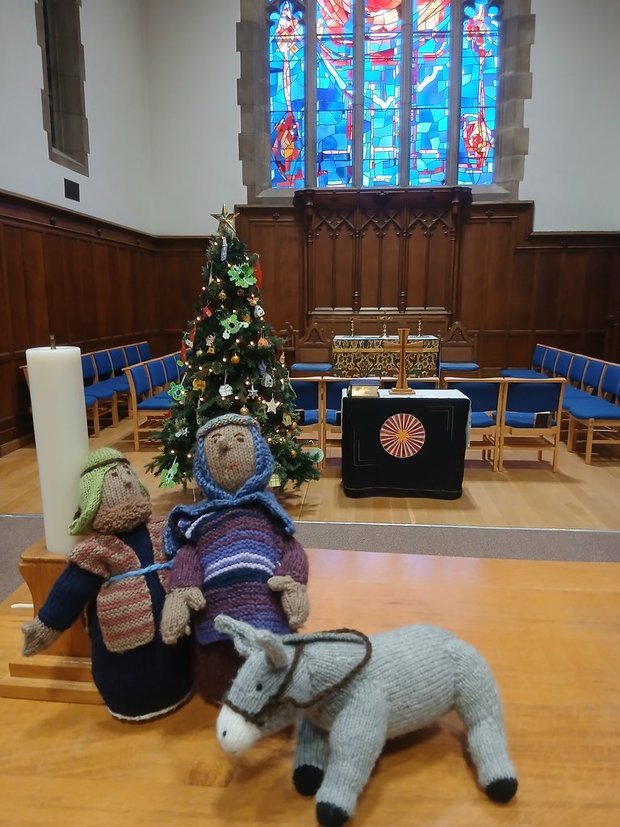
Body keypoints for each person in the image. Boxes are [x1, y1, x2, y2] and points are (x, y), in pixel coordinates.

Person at [21, 448, 194, 721]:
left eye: (128, 474)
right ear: (94, 498)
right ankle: (131, 698)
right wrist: (46, 625)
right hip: (125, 663)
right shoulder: (97, 550)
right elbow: (70, 590)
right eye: (114, 476)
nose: (125, 481)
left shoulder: (164, 528)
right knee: (129, 666)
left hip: (179, 651)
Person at [161, 414, 310, 704]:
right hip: (215, 615)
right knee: (217, 676)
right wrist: (180, 591)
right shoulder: (199, 520)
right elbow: (187, 556)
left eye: (240, 440)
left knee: (274, 664)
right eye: (215, 443)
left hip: (267, 613)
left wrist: (293, 581)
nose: (227, 448)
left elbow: (291, 549)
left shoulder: (268, 513)